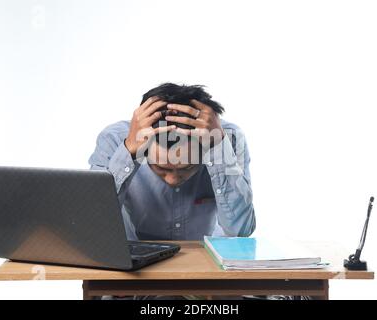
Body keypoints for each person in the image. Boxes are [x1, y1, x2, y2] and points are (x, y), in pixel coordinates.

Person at [88, 83, 255, 241]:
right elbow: (92, 224)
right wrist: (128, 151)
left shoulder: (226, 140)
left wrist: (218, 149)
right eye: (160, 168)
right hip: (133, 264)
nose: (172, 180)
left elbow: (240, 230)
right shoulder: (115, 139)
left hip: (205, 263)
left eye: (187, 167)